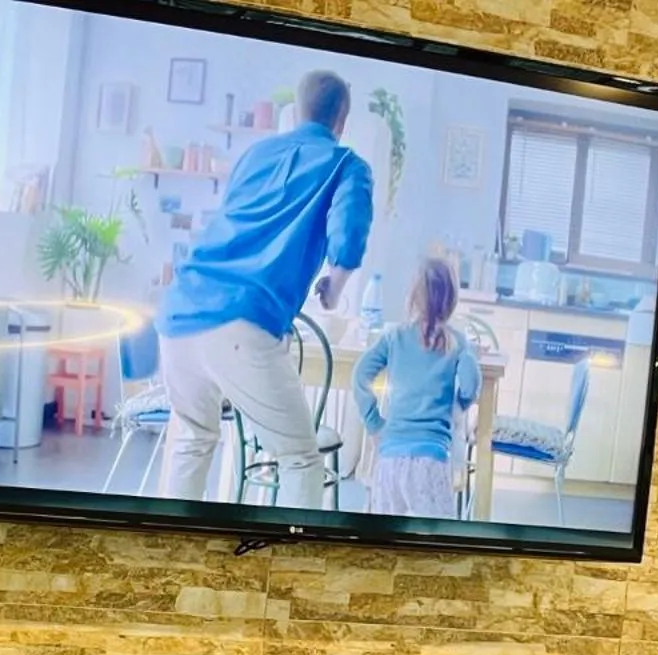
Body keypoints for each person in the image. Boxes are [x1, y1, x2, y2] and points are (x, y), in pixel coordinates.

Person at [155, 69, 374, 509]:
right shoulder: (346, 165)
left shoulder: (255, 155)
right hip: (241, 321)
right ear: (342, 121)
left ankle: (168, 546)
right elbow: (348, 236)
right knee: (300, 459)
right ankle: (291, 555)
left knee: (193, 440)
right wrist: (334, 287)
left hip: (178, 313)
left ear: (296, 111)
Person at [351, 258, 482, 518]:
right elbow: (471, 385)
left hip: (389, 458)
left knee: (385, 535)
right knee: (435, 537)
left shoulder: (394, 336)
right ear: (451, 300)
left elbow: (359, 376)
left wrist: (374, 423)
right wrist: (458, 406)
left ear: (412, 296)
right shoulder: (457, 342)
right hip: (431, 460)